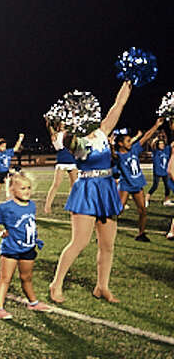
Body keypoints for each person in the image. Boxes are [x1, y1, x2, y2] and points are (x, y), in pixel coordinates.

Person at [48, 81, 133, 304]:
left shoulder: (104, 131)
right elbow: (69, 144)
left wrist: (128, 81)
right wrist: (63, 127)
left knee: (107, 245)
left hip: (106, 187)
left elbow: (119, 104)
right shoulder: (75, 141)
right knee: (80, 242)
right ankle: (56, 284)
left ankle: (101, 286)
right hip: (86, 188)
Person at [0, 171, 52, 319]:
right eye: (22, 188)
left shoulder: (31, 205)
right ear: (12, 190)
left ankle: (33, 302)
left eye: (28, 188)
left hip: (28, 248)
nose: (27, 191)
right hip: (11, 249)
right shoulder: (6, 207)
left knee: (26, 277)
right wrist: (0, 232)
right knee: (5, 278)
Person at [114, 118, 162, 241]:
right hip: (125, 184)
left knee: (142, 210)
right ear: (120, 144)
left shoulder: (133, 149)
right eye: (128, 141)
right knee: (118, 211)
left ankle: (141, 234)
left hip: (137, 184)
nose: (131, 142)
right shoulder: (118, 156)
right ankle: (104, 232)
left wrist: (156, 125)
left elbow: (145, 137)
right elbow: (111, 157)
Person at [42, 118, 79, 215]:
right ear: (57, 126)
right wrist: (48, 122)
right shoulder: (55, 135)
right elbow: (49, 128)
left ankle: (72, 205)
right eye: (61, 124)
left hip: (72, 160)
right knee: (56, 184)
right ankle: (47, 206)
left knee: (74, 185)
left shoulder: (70, 134)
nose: (63, 126)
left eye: (64, 124)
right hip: (62, 161)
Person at [147, 134, 172, 205]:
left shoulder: (167, 149)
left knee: (167, 186)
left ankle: (166, 200)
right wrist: (155, 139)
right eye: (160, 144)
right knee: (155, 186)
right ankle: (146, 199)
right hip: (157, 172)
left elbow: (172, 144)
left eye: (162, 144)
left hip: (165, 172)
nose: (161, 145)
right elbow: (151, 144)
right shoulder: (155, 151)